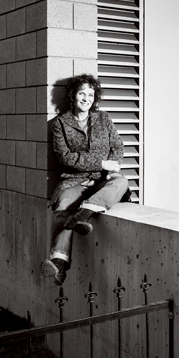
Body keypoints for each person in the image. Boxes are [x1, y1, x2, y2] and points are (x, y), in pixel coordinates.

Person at [41, 74, 128, 286]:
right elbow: (66, 158)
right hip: (74, 180)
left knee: (121, 182)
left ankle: (85, 212)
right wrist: (101, 163)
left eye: (91, 94)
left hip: (102, 180)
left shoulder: (103, 119)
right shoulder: (60, 124)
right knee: (63, 206)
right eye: (82, 93)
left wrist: (112, 167)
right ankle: (58, 263)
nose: (86, 98)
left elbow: (117, 146)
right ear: (73, 96)